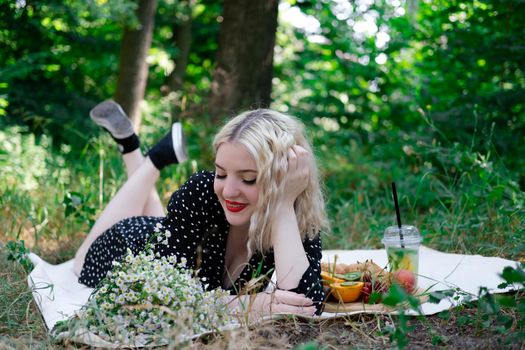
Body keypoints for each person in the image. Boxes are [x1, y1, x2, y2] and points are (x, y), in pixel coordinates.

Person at [73, 101, 330, 317]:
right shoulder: (202, 192)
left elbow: (306, 306)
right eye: (221, 173)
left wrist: (283, 206)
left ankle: (135, 146)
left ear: (285, 179)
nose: (228, 191)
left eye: (248, 178)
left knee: (162, 223)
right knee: (79, 262)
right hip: (129, 245)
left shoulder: (296, 213)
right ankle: (150, 157)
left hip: (169, 240)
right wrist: (245, 305)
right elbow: (162, 299)